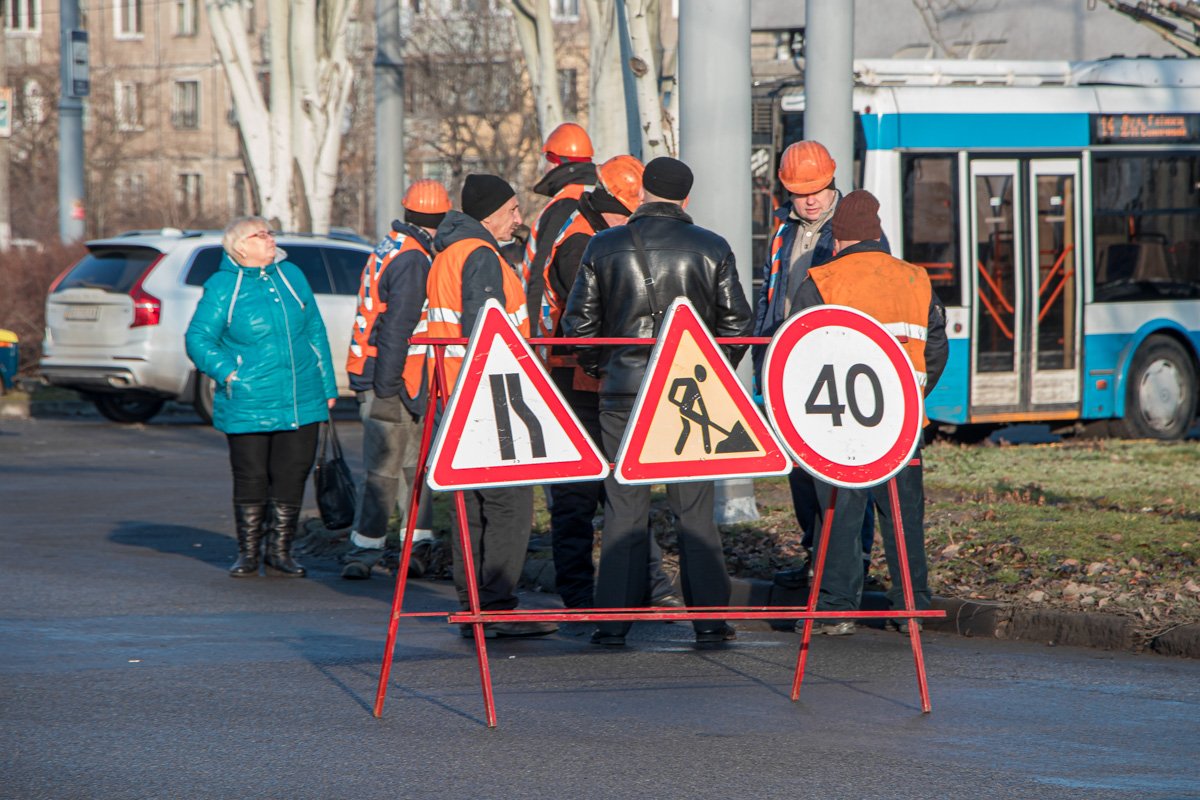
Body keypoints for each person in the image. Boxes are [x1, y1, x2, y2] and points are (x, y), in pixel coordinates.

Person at [562, 156, 753, 647]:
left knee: (624, 509)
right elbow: (738, 326)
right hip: (691, 394)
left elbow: (577, 326)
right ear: (686, 198)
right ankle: (710, 621)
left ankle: (612, 624)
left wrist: (601, 368)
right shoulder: (712, 247)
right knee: (693, 510)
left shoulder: (603, 245)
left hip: (623, 394)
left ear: (642, 190)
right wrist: (710, 374)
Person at [792, 189, 948, 635]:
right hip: (902, 423)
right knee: (903, 514)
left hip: (840, 423)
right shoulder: (917, 278)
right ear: (878, 235)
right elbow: (936, 347)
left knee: (840, 513)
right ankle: (912, 608)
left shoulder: (822, 281)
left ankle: (837, 608)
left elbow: (800, 351)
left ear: (839, 240)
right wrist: (911, 396)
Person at [538, 154, 681, 611]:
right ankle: (585, 595)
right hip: (579, 379)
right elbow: (590, 322)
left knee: (618, 487)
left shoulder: (584, 230)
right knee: (584, 492)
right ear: (616, 204)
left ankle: (644, 585)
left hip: (584, 375)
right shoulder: (585, 243)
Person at [426, 173, 558, 638]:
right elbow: (490, 336)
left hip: (456, 391)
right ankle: (498, 607)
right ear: (489, 214)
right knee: (508, 505)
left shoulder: (449, 253)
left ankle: (473, 607)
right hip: (488, 397)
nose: (519, 220)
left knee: (473, 506)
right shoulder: (481, 256)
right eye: (512, 211)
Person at [752, 140, 877, 585]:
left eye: (818, 189)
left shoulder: (853, 229)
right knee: (801, 471)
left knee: (841, 472)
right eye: (799, 190)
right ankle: (815, 555)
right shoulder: (783, 231)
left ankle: (850, 561)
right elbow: (770, 297)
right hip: (785, 364)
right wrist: (763, 355)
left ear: (833, 180)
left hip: (832, 366)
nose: (809, 199)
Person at [185, 217, 338, 579]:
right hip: (248, 399)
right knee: (251, 475)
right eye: (261, 235)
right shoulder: (223, 285)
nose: (271, 239)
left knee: (292, 473)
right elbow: (198, 338)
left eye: (270, 233)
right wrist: (229, 372)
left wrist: (328, 386)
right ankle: (248, 553)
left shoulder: (292, 275)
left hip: (303, 395)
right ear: (240, 246)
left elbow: (315, 329)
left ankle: (281, 551)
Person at [341, 180, 449, 580]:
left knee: (404, 467)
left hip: (378, 372)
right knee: (390, 468)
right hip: (393, 378)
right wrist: (389, 388)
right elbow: (397, 328)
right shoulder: (414, 259)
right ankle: (367, 550)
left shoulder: (390, 246)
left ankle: (413, 546)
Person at [522, 122, 597, 322]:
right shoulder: (592, 197)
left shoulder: (563, 205)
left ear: (555, 162)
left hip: (552, 325)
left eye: (546, 159)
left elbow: (540, 269)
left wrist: (530, 335)